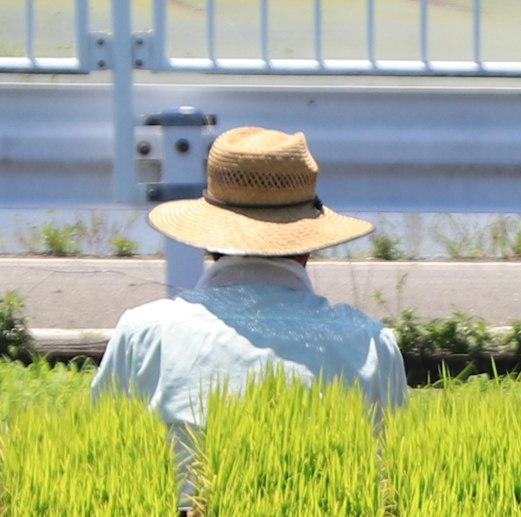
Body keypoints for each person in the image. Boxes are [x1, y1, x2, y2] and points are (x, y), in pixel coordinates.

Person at [93, 126, 406, 436]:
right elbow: (391, 471)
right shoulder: (371, 345)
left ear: (207, 236)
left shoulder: (144, 335)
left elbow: (103, 457)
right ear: (308, 245)